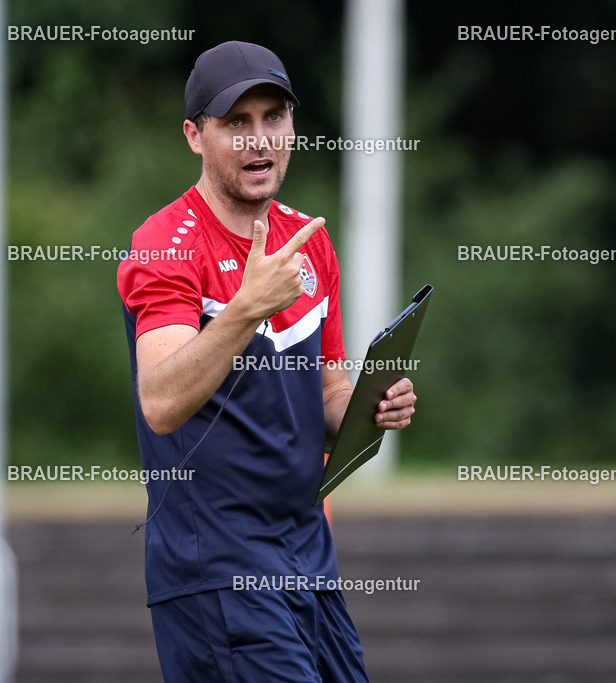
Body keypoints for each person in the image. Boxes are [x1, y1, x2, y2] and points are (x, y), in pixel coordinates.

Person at [117, 40, 418, 683]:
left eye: (274, 118)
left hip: (309, 558)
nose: (261, 141)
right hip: (217, 569)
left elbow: (328, 391)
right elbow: (161, 401)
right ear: (195, 137)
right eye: (237, 124)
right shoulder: (165, 246)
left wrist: (371, 406)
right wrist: (246, 308)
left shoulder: (307, 238)